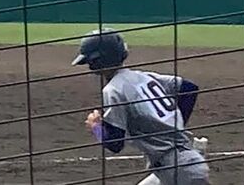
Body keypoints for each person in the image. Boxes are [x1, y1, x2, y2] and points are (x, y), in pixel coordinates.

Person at [73, 29, 210, 184]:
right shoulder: (143, 76)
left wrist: (95, 126)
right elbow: (188, 88)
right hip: (177, 165)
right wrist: (173, 125)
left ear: (97, 61)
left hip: (181, 172)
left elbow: (115, 144)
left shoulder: (113, 90)